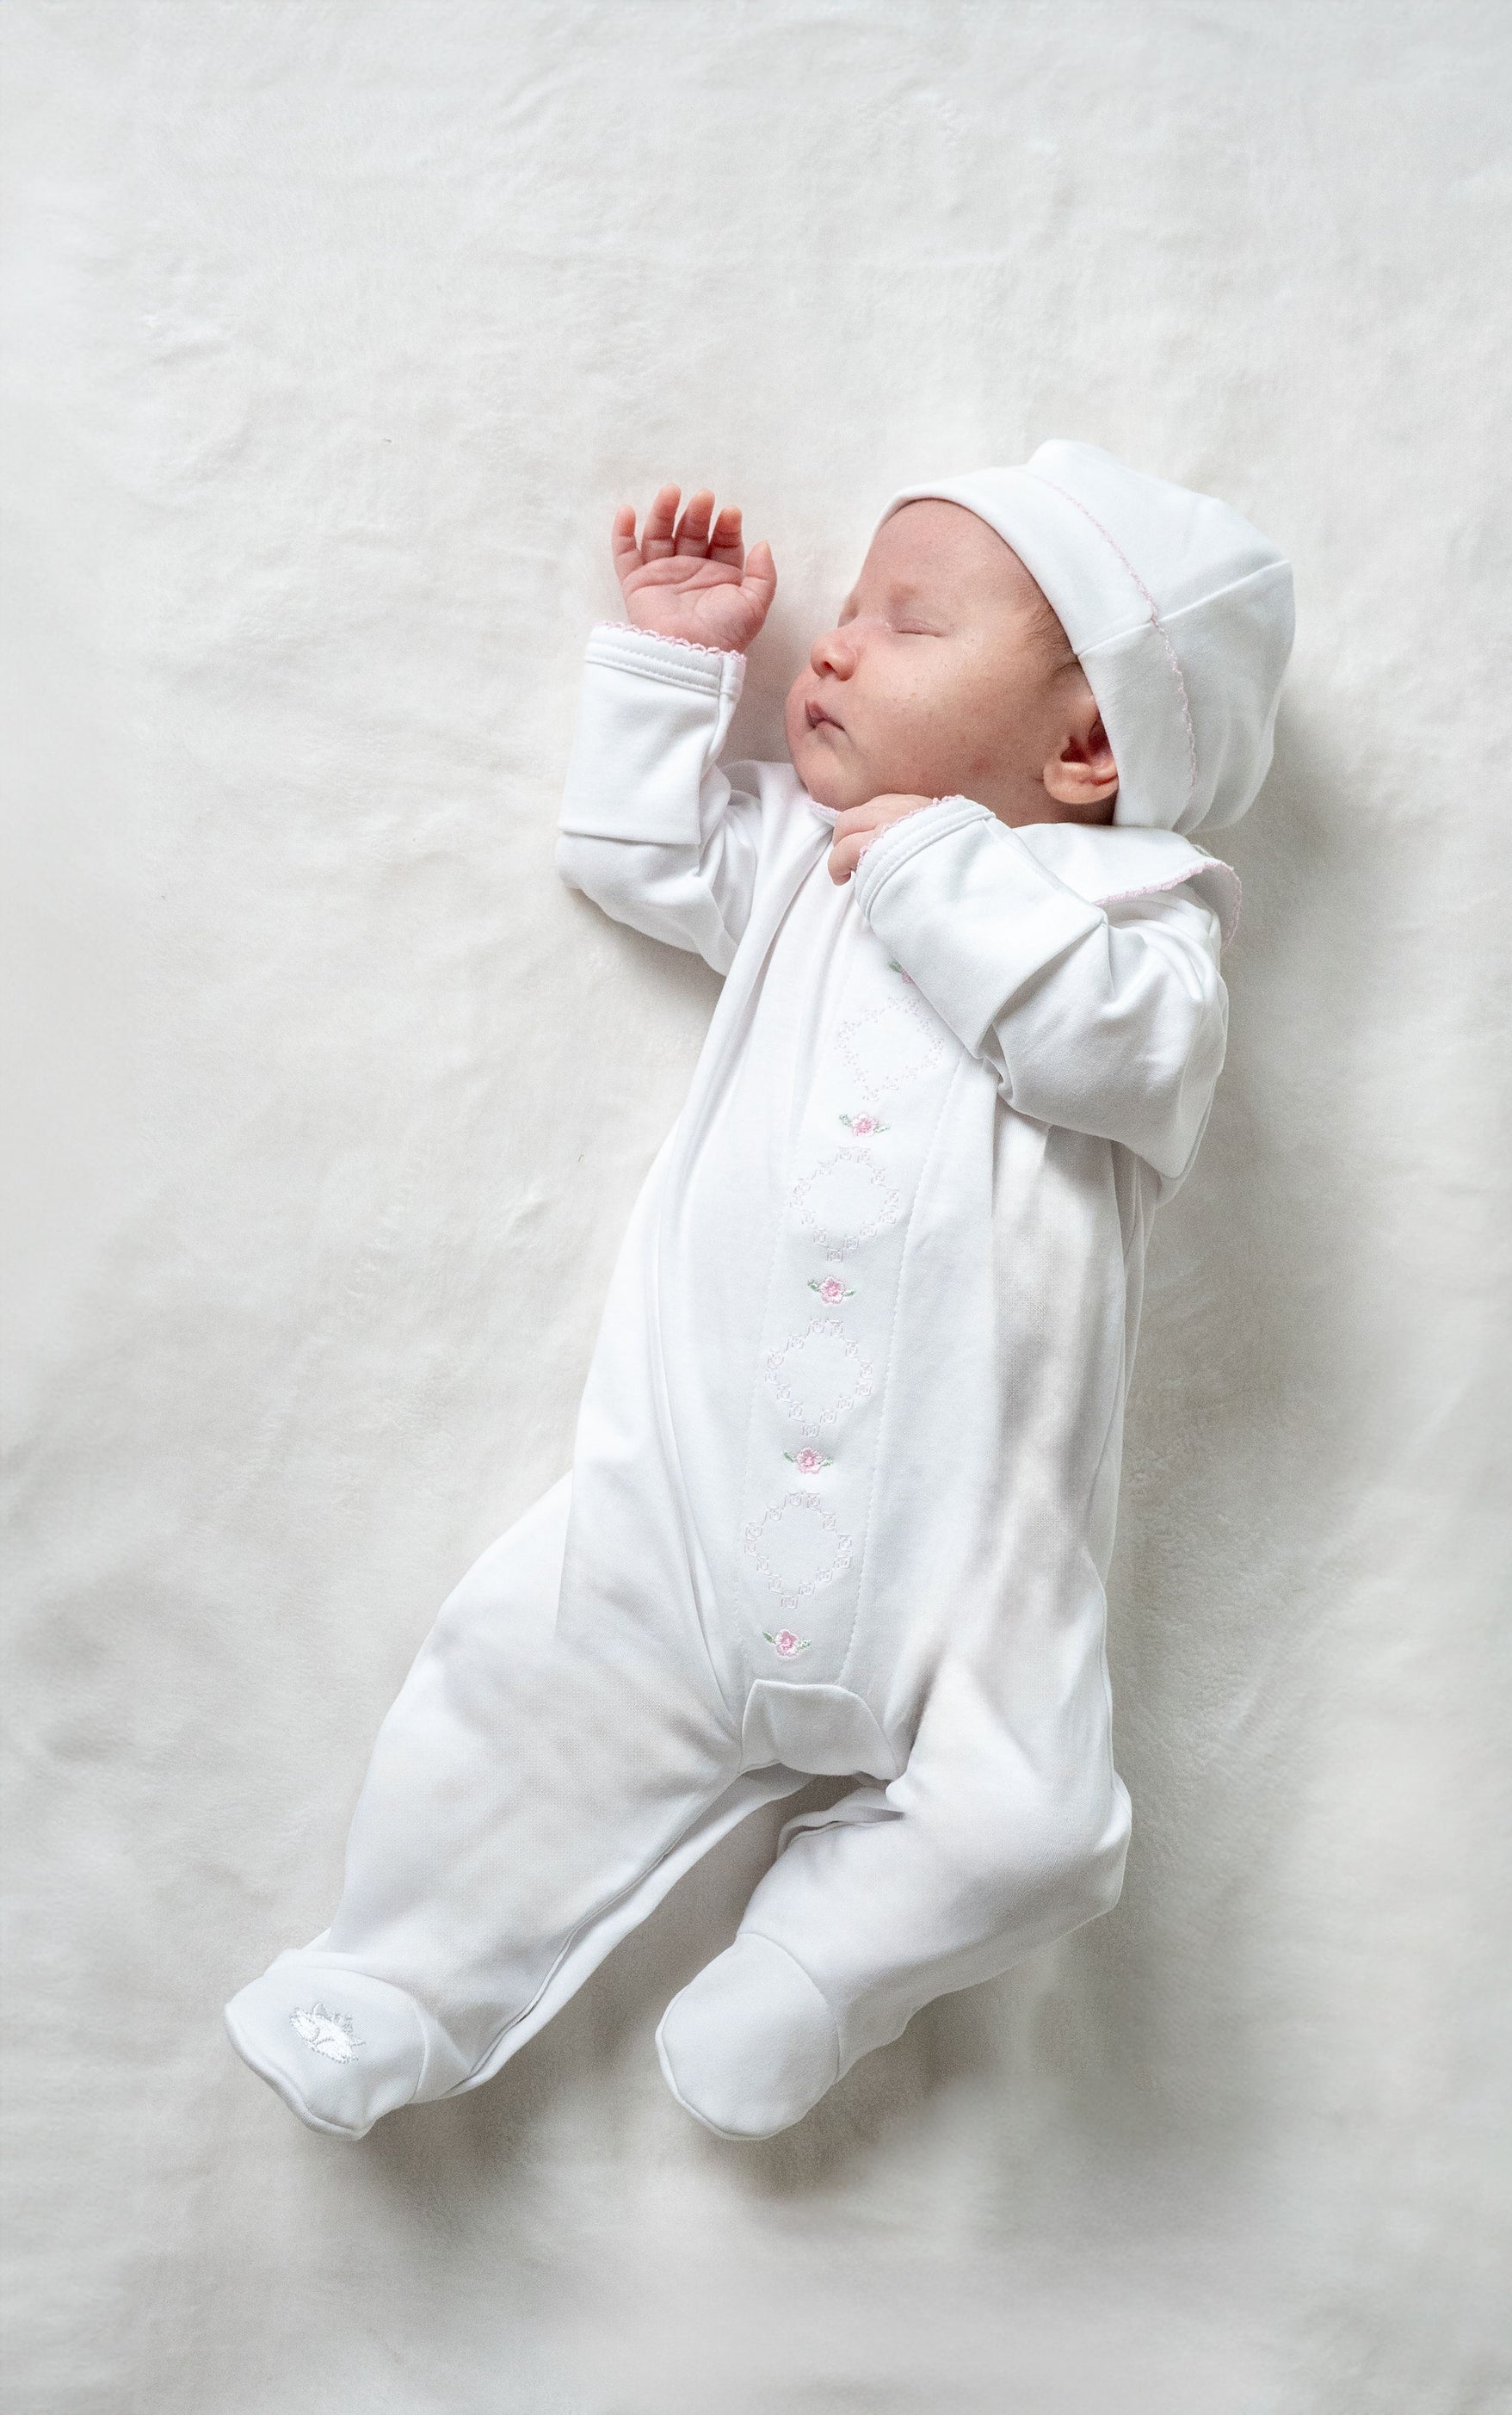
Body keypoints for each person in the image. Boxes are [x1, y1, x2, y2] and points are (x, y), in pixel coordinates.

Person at [225, 440, 1293, 2143]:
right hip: (685, 1509)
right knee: (511, 1690)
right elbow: (635, 852)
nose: (838, 642)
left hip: (977, 1563)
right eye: (845, 609)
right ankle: (394, 1979)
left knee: (1038, 1826)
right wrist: (675, 664)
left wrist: (938, 866)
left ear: (1087, 747)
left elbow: (1123, 1054)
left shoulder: (1141, 922)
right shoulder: (806, 864)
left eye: (907, 623)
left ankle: (810, 1962)